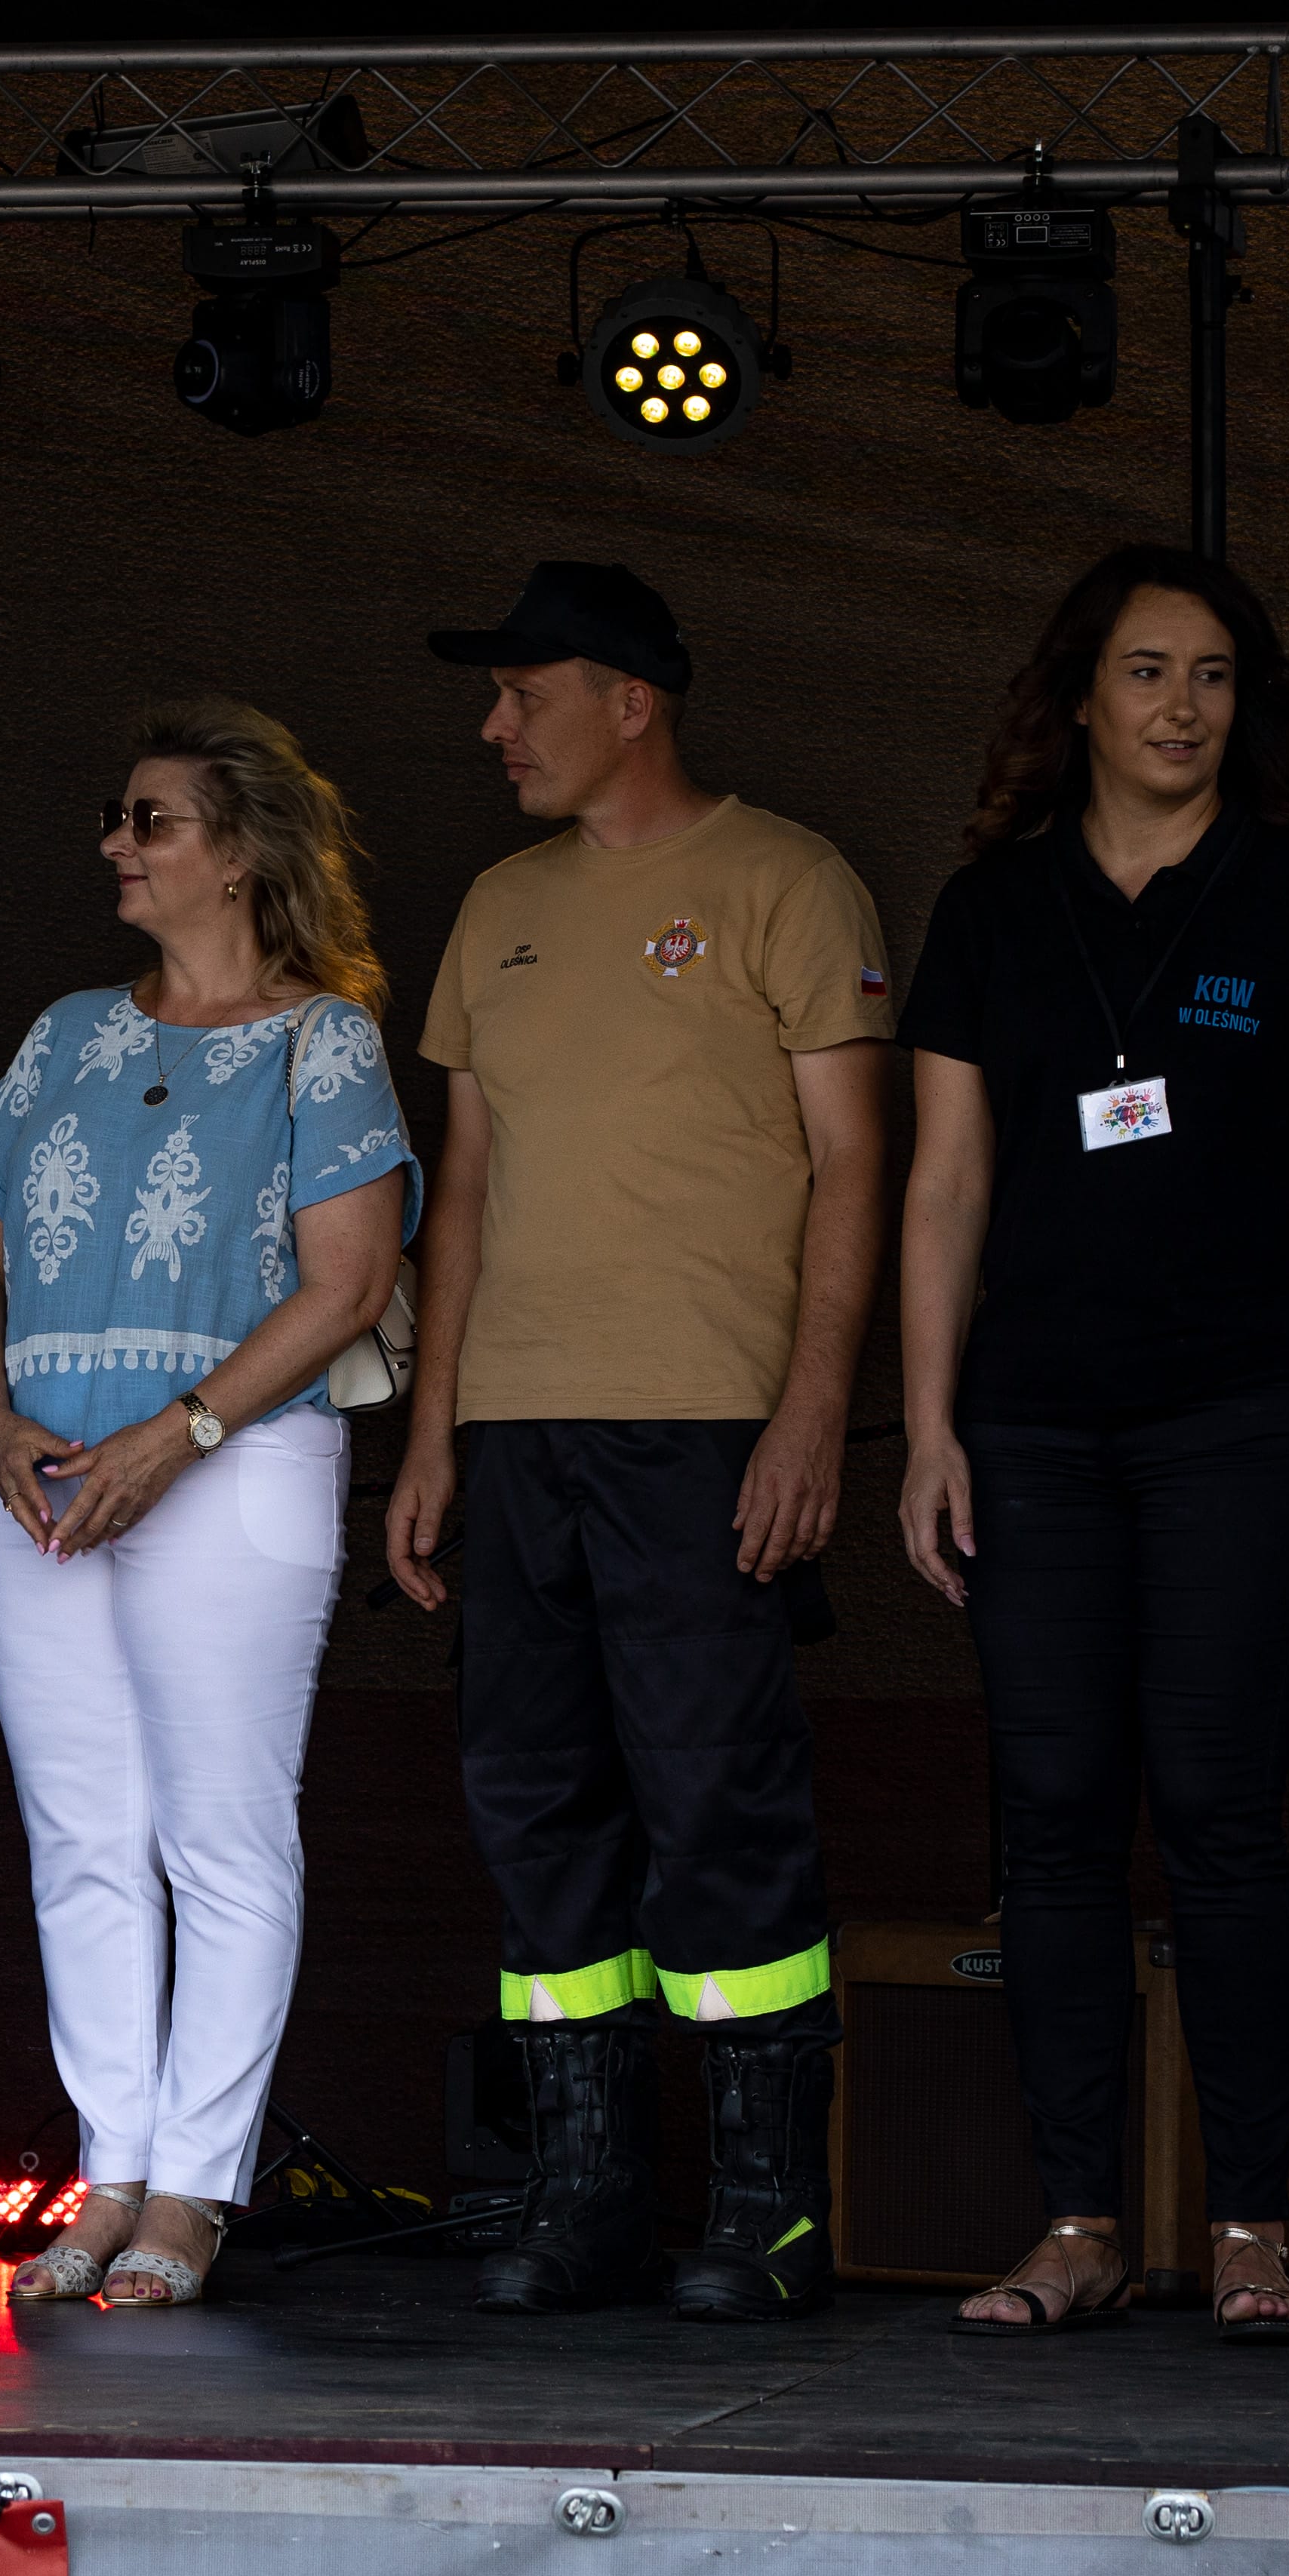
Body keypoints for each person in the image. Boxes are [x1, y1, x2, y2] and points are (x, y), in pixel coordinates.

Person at [895, 549, 1289, 2344]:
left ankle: (1247, 2227)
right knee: (1057, 1818)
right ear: (1080, 695)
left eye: (1213, 673)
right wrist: (927, 1424)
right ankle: (1078, 2223)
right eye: (1148, 669)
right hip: (1034, 1426)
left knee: (1223, 1808)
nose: (1181, 704)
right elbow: (945, 1186)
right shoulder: (992, 908)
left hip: (1254, 1416)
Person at [383, 558, 892, 2324]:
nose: (494, 726)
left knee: (717, 1790)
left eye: (524, 693)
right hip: (514, 1426)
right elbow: (461, 1190)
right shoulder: (496, 905)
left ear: (631, 700)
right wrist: (431, 1431)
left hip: (702, 1421)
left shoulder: (788, 879)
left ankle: (765, 2207)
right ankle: (585, 2193)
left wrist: (813, 1409)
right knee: (535, 1799)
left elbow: (857, 1165)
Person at [0, 704, 411, 2311]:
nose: (116, 844)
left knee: (221, 1832)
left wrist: (179, 1432)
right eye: (118, 815)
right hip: (35, 1476)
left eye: (152, 820)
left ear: (244, 851)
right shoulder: (64, 1033)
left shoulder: (322, 1041)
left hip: (232, 1464)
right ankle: (111, 2169)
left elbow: (351, 1284)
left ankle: (195, 2185)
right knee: (81, 1838)